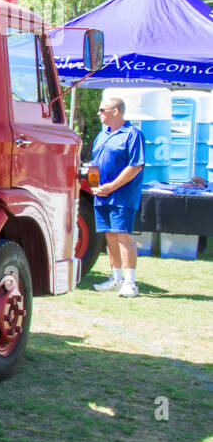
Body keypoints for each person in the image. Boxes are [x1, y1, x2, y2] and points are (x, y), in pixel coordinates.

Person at [90, 97, 146, 297]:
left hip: (122, 195)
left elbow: (136, 165)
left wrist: (112, 186)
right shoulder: (102, 135)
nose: (99, 113)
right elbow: (95, 163)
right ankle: (116, 278)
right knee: (109, 235)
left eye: (102, 109)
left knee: (123, 235)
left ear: (116, 111)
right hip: (102, 195)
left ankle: (130, 283)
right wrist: (94, 186)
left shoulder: (132, 134)